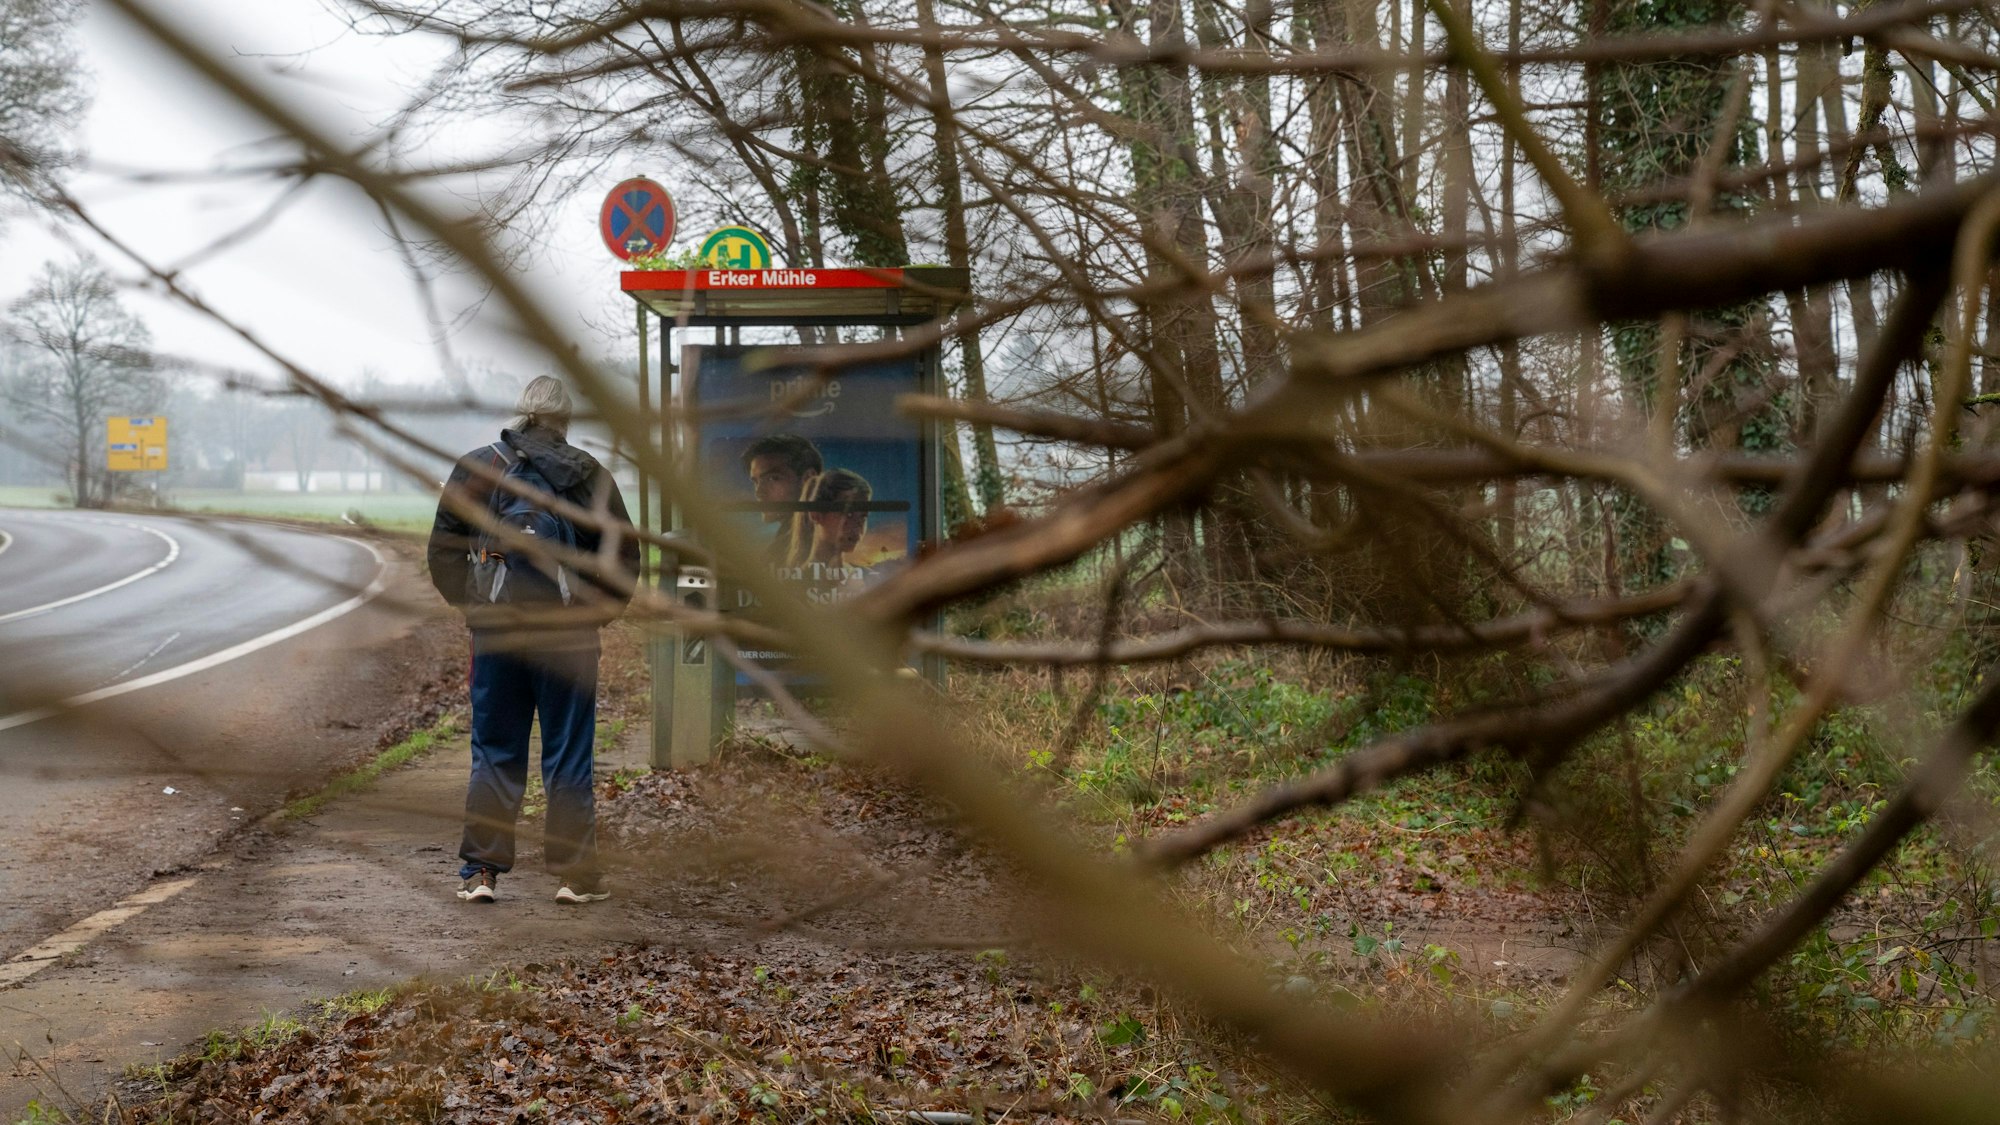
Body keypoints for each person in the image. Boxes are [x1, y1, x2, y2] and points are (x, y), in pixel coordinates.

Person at [426, 376, 640, 906]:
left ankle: (480, 873)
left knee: (495, 752)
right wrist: (593, 617)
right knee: (568, 756)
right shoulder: (590, 475)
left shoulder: (479, 467)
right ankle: (574, 877)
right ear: (565, 420)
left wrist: (477, 609)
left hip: (498, 635)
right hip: (568, 640)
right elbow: (625, 560)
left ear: (520, 413)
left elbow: (443, 552)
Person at [739, 433, 822, 564]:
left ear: (808, 479)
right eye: (756, 481)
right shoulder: (786, 541)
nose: (759, 493)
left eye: (773, 478)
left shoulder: (822, 541)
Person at [785, 468, 872, 576]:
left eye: (863, 517)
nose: (858, 525)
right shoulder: (796, 581)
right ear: (816, 514)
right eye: (848, 514)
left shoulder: (867, 577)